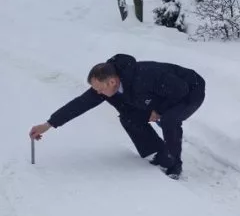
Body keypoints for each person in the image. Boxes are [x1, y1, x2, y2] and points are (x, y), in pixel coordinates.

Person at [29, 53, 205, 180]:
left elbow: (180, 89)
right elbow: (80, 104)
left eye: (100, 89)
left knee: (169, 119)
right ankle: (160, 153)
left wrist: (158, 110)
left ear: (112, 81)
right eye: (96, 89)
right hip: (160, 94)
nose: (98, 92)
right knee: (129, 117)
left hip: (190, 89)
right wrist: (49, 124)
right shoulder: (106, 84)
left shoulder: (145, 75)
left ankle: (175, 163)